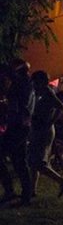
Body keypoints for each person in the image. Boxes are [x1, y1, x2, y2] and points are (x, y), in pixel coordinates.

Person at [28, 71, 63, 198]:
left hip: (44, 130)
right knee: (34, 161)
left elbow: (61, 106)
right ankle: (32, 190)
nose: (33, 84)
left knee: (40, 162)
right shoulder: (40, 93)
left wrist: (51, 121)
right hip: (39, 129)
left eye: (35, 81)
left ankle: (61, 181)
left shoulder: (48, 93)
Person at [0, 59, 35, 205]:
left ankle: (13, 191)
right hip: (19, 126)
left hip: (18, 126)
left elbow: (17, 106)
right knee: (19, 160)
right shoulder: (25, 84)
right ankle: (24, 193)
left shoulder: (23, 84)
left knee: (18, 160)